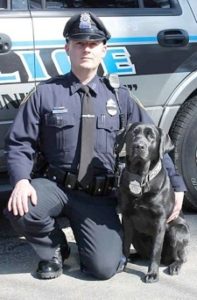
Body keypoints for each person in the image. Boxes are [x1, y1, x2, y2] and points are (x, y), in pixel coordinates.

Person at [4, 12, 186, 280]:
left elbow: (155, 143)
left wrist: (177, 185)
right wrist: (21, 180)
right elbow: (20, 142)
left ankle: (90, 241)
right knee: (19, 206)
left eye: (93, 43)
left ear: (104, 49)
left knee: (104, 268)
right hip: (54, 186)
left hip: (98, 196)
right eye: (79, 43)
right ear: (67, 48)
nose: (86, 48)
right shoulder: (46, 93)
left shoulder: (120, 98)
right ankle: (53, 247)